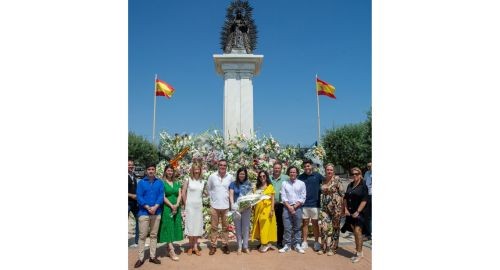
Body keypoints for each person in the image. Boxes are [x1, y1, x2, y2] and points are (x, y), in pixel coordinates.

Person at [134, 163, 165, 268]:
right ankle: (140, 258)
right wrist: (147, 207)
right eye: (149, 169)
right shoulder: (141, 183)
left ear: (155, 170)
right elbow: (139, 196)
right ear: (146, 171)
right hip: (144, 213)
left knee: (153, 235)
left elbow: (161, 196)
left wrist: (155, 207)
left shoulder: (159, 183)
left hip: (156, 213)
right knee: (142, 236)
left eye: (153, 169)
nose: (151, 171)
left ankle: (152, 256)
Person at [207, 159, 234, 255]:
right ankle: (213, 246)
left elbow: (232, 190)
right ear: (218, 166)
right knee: (214, 227)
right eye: (221, 165)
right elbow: (208, 189)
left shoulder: (230, 177)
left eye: (224, 165)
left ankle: (225, 245)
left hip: (226, 206)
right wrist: (212, 200)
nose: (222, 167)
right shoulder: (212, 176)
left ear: (226, 167)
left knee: (226, 227)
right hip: (214, 206)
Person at [317, 163, 345, 256]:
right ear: (325, 170)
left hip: (336, 208)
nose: (329, 171)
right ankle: (323, 247)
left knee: (335, 229)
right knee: (323, 228)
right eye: (328, 170)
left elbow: (342, 194)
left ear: (334, 171)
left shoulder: (337, 179)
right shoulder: (323, 180)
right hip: (325, 208)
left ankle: (333, 248)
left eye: (331, 170)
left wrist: (343, 209)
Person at [157, 164, 183, 261]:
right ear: (165, 172)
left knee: (173, 227)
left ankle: (168, 248)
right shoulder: (162, 183)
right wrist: (171, 206)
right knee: (168, 227)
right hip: (167, 208)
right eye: (168, 170)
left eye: (171, 171)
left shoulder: (177, 183)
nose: (170, 172)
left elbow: (180, 194)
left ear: (173, 172)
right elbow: (163, 196)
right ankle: (171, 251)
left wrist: (176, 204)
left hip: (176, 208)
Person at [343, 167, 369, 263]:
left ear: (360, 174)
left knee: (358, 232)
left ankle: (359, 253)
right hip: (349, 213)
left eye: (356, 174)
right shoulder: (350, 184)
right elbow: (345, 197)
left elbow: (364, 200)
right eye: (353, 174)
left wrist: (357, 211)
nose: (354, 175)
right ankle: (359, 251)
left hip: (359, 213)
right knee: (355, 232)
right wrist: (345, 209)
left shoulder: (363, 186)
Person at [279, 166, 307, 254]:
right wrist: (289, 207)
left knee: (297, 227)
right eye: (291, 172)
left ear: (297, 173)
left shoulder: (301, 183)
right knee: (287, 227)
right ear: (288, 173)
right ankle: (287, 245)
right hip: (287, 208)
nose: (292, 174)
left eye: (294, 172)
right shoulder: (284, 183)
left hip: (298, 208)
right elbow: (283, 196)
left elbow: (303, 196)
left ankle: (297, 245)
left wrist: (294, 207)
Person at [298, 159, 324, 251]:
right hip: (304, 204)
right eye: (305, 166)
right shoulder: (300, 177)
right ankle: (304, 241)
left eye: (308, 166)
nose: (306, 168)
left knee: (315, 224)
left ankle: (316, 242)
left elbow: (325, 183)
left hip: (315, 204)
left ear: (311, 166)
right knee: (304, 223)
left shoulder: (317, 176)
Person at [182, 163, 206, 256]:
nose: (197, 171)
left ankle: (195, 247)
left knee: (197, 226)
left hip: (198, 207)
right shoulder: (188, 180)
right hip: (190, 206)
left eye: (198, 169)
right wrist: (186, 204)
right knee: (190, 226)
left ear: (200, 170)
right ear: (192, 170)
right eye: (195, 169)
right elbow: (183, 193)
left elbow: (205, 193)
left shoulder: (202, 181)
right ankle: (190, 246)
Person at [251, 170, 277, 253]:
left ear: (266, 177)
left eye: (264, 176)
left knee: (265, 227)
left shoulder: (270, 186)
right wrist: (253, 207)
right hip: (258, 209)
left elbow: (273, 199)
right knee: (259, 226)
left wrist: (272, 210)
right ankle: (264, 242)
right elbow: (254, 199)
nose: (262, 178)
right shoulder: (256, 187)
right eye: (260, 176)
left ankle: (264, 243)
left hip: (267, 209)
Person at [229, 167, 253, 255]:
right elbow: (231, 195)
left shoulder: (248, 184)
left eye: (243, 174)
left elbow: (250, 195)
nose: (241, 175)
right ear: (238, 174)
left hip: (246, 208)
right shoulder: (233, 184)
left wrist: (248, 204)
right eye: (240, 173)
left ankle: (245, 246)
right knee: (238, 228)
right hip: (236, 208)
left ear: (245, 174)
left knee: (246, 228)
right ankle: (239, 246)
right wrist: (232, 205)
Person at [270, 162, 289, 249]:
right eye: (275, 168)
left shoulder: (286, 178)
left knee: (280, 224)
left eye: (278, 168)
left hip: (281, 205)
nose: (277, 170)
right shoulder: (268, 178)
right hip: (269, 204)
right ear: (273, 168)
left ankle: (279, 242)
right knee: (268, 223)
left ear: (281, 169)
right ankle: (265, 242)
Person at [128, 159, 139, 248]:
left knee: (139, 220)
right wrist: (132, 195)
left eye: (132, 165)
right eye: (129, 165)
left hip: (135, 203)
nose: (130, 166)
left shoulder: (134, 175)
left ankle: (137, 241)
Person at [363, 162, 372, 240]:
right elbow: (364, 182)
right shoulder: (367, 173)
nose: (369, 168)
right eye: (368, 166)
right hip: (368, 195)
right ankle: (368, 234)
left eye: (370, 166)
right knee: (367, 215)